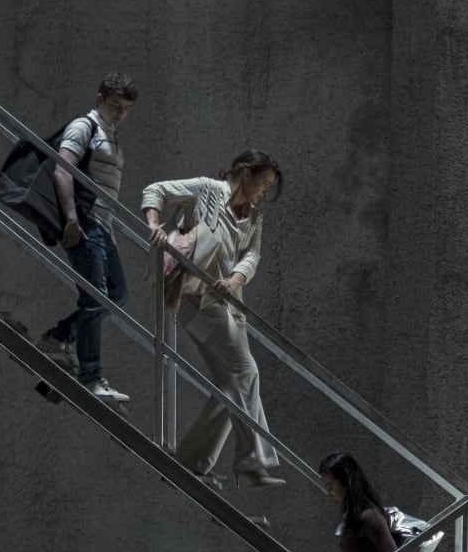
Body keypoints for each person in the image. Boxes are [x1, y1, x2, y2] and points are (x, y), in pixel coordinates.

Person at [140, 150, 285, 488]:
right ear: (246, 173)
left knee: (232, 385)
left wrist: (235, 280)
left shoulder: (254, 217)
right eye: (263, 183)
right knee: (246, 373)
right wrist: (154, 226)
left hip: (231, 304)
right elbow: (155, 190)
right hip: (199, 299)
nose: (263, 191)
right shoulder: (206, 189)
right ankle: (253, 461)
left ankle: (191, 460)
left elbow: (252, 254)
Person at [34, 74, 139, 402]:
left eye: (125, 108)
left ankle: (59, 336)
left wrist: (109, 230)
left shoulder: (112, 134)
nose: (120, 112)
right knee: (96, 299)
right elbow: (63, 170)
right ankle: (91, 376)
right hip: (83, 224)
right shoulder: (85, 127)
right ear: (99, 100)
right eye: (114, 105)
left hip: (102, 228)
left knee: (117, 295)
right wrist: (70, 220)